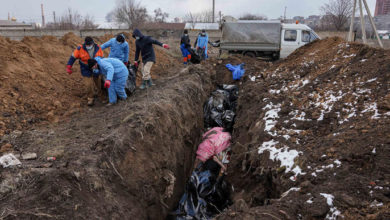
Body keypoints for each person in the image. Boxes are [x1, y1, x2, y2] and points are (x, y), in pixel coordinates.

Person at [66, 37, 104, 106]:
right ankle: (90, 98)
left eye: (89, 45)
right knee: (88, 84)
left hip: (95, 67)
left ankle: (101, 95)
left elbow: (102, 58)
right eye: (87, 45)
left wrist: (101, 67)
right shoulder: (80, 48)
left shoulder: (98, 47)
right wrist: (69, 66)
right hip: (85, 68)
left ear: (92, 43)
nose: (88, 46)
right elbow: (72, 57)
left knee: (98, 82)